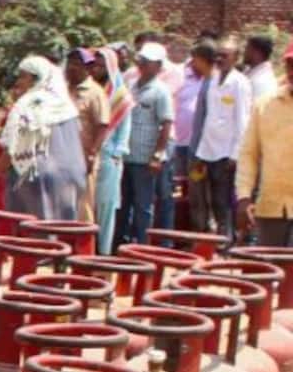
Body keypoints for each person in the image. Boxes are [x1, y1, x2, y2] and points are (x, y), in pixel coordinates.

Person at [0, 56, 86, 222]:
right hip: (73, 175)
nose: (19, 81)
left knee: (37, 234)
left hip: (39, 177)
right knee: (64, 230)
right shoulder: (66, 106)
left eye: (23, 76)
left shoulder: (28, 104)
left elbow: (12, 148)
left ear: (36, 78)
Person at [191, 39, 253, 239]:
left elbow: (242, 121)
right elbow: (209, 117)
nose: (220, 59)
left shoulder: (240, 83)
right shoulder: (213, 78)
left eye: (225, 55)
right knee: (207, 198)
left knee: (222, 199)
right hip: (207, 149)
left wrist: (236, 155)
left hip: (226, 152)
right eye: (218, 54)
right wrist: (200, 150)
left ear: (236, 58)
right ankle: (214, 237)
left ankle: (227, 239)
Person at [117, 42, 175, 246]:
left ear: (158, 66)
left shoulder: (161, 91)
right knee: (124, 204)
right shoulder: (132, 87)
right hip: (127, 155)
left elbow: (166, 124)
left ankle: (142, 246)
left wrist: (158, 154)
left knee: (143, 206)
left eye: (148, 62)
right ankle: (122, 244)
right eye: (141, 61)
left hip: (145, 158)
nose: (142, 65)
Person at [238, 43, 293, 244]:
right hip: (271, 206)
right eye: (290, 64)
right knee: (271, 267)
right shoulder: (265, 105)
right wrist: (244, 197)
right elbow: (248, 154)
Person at [91, 45, 135, 253]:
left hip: (108, 158)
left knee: (105, 207)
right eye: (94, 65)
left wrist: (112, 155)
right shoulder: (89, 91)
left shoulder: (120, 97)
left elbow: (123, 135)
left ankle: (104, 251)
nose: (96, 69)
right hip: (87, 156)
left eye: (101, 65)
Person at [173, 40, 215, 229]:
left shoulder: (217, 82)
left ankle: (206, 233)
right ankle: (194, 230)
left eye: (195, 60)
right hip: (186, 146)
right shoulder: (182, 76)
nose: (192, 63)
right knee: (189, 192)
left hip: (207, 150)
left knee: (205, 193)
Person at [65, 49, 108, 220]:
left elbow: (102, 125)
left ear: (88, 68)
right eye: (69, 63)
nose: (71, 68)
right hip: (64, 156)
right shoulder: (63, 90)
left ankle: (84, 245)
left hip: (84, 157)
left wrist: (92, 154)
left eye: (76, 64)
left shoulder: (95, 93)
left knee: (83, 207)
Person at [242, 34, 279, 107]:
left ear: (257, 53)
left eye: (247, 48)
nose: (244, 52)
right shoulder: (249, 71)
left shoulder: (264, 81)